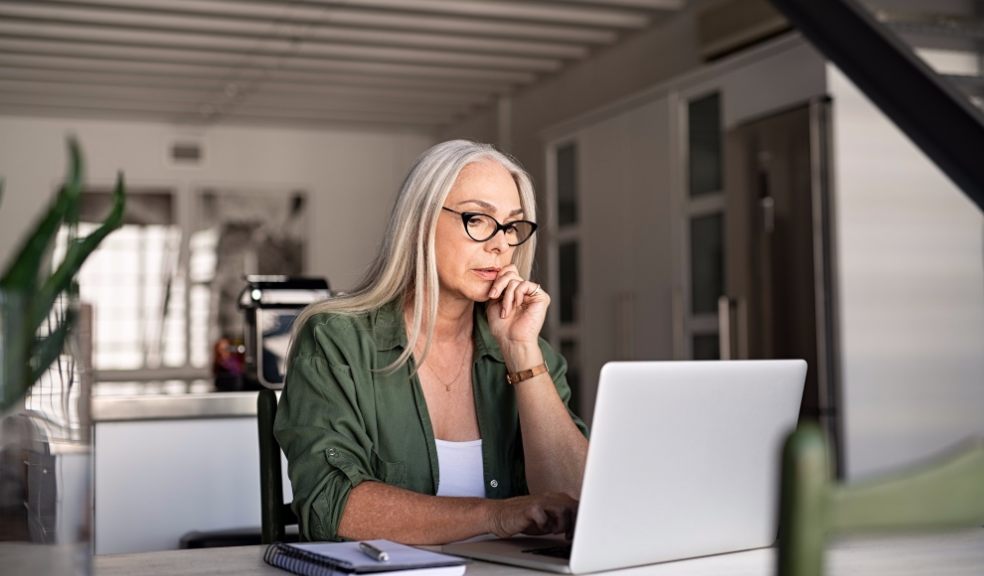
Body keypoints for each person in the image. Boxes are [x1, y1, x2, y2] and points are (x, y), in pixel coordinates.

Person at [275, 140, 589, 545]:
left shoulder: (530, 353)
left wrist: (521, 354)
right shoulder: (337, 340)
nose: (501, 244)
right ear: (420, 221)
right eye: (477, 219)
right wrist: (497, 515)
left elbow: (581, 506)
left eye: (512, 226)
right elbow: (331, 508)